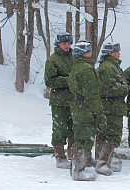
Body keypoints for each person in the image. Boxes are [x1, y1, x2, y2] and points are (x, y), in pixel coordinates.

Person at [68, 40, 107, 181]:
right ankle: (79, 170)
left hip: (78, 106)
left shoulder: (76, 67)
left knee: (80, 136)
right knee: (84, 138)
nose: (91, 52)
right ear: (85, 53)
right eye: (89, 50)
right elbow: (92, 94)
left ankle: (77, 166)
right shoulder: (86, 69)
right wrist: (99, 112)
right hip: (85, 107)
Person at [95, 42, 128, 176]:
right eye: (116, 51)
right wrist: (125, 88)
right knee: (111, 134)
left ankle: (103, 160)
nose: (118, 53)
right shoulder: (109, 68)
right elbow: (108, 89)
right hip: (111, 107)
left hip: (112, 107)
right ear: (110, 53)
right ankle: (102, 163)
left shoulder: (112, 66)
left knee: (104, 134)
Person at [44, 32, 74, 169]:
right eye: (64, 43)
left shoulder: (75, 57)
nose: (67, 46)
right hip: (59, 101)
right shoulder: (53, 60)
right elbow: (50, 80)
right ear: (58, 44)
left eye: (68, 43)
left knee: (74, 129)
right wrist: (68, 80)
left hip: (73, 100)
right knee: (60, 129)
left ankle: (74, 155)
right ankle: (60, 157)